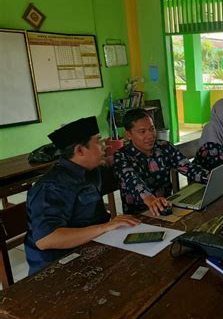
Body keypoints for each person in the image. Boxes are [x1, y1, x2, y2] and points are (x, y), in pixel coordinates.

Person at [25, 117, 140, 274]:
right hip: (59, 266)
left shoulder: (91, 171)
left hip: (94, 247)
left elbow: (119, 165)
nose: (104, 146)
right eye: (98, 142)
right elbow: (46, 239)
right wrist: (104, 227)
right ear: (79, 150)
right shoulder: (52, 186)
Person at [114, 108, 209, 216]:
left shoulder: (164, 147)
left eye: (152, 129)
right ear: (128, 135)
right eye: (142, 132)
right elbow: (131, 180)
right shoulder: (122, 156)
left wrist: (209, 176)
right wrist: (150, 199)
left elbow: (187, 167)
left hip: (167, 207)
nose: (150, 135)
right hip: (139, 216)